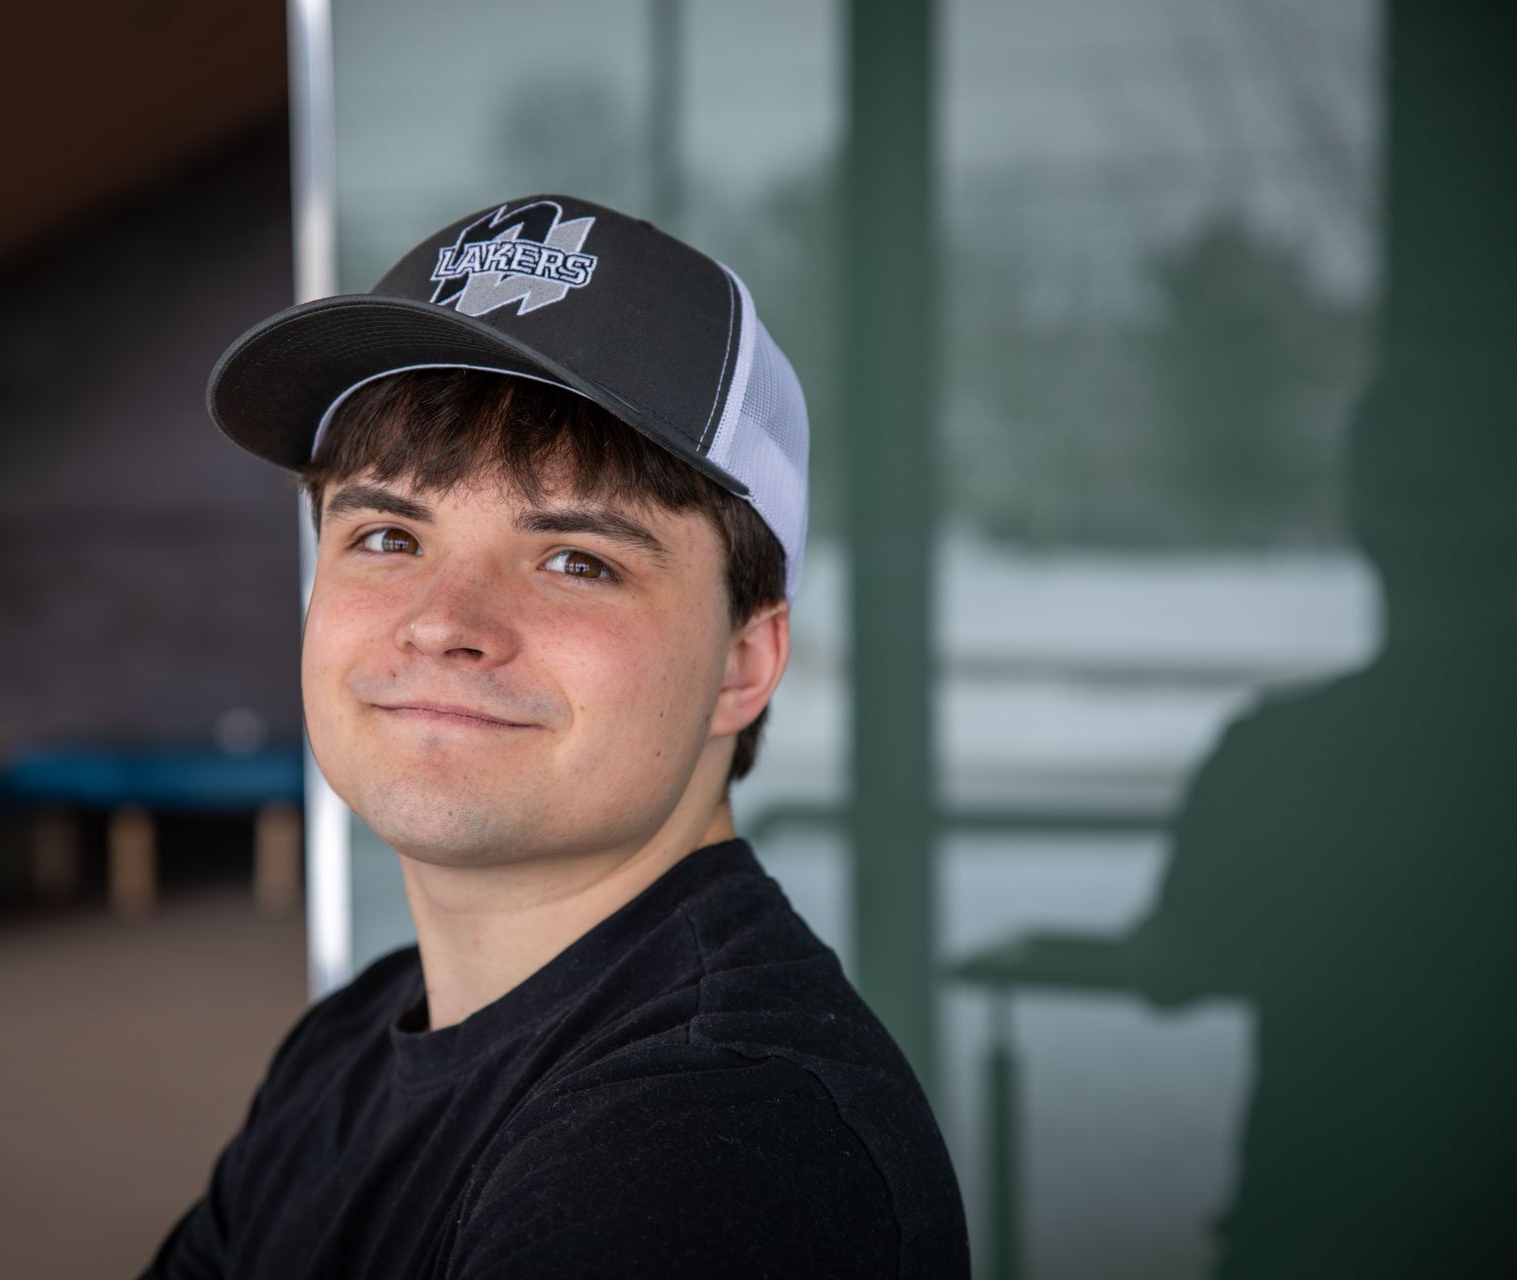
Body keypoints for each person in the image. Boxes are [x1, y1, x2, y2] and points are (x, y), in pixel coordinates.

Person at [143, 194, 968, 1279]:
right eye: (389, 533)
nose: (443, 621)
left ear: (744, 663)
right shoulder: (352, 1041)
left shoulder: (718, 1149)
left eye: (577, 558)